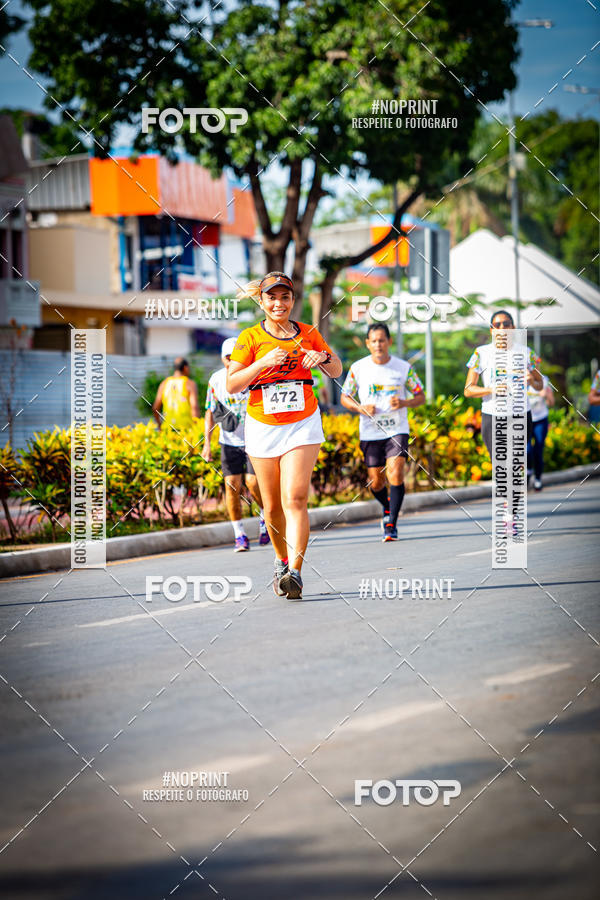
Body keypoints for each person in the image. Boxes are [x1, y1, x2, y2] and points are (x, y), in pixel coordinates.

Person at [226, 272, 342, 599]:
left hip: (302, 423)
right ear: (261, 301)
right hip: (262, 424)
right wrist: (262, 362)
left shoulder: (308, 333)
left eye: (285, 297)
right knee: (272, 504)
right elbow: (233, 383)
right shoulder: (249, 338)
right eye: (272, 297)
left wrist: (323, 358)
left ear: (293, 300)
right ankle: (280, 559)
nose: (279, 303)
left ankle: (296, 572)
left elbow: (336, 369)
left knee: (295, 498)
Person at [340, 323, 425, 542]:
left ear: (388, 341)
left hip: (396, 428)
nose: (378, 344)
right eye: (374, 340)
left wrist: (404, 401)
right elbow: (344, 397)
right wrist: (360, 408)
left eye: (382, 340)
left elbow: (420, 395)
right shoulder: (358, 368)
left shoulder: (403, 367)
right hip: (370, 431)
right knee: (375, 482)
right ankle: (387, 507)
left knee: (395, 473)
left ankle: (391, 524)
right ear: (368, 343)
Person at [203, 337, 270, 552]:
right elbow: (210, 412)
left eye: (236, 356)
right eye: (228, 357)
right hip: (228, 442)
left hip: (254, 440)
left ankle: (265, 517)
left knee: (252, 483)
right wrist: (207, 443)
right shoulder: (215, 380)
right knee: (232, 486)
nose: (232, 361)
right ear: (222, 358)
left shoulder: (254, 376)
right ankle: (239, 534)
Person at [464, 310, 543, 458]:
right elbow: (468, 390)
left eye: (506, 324)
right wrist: (491, 389)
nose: (502, 328)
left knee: (514, 462)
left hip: (520, 414)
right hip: (492, 414)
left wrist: (532, 380)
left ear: (513, 328)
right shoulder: (480, 353)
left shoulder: (527, 353)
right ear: (492, 330)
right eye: (497, 325)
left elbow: (540, 385)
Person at [152, 357, 199, 431]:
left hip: (168, 430)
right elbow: (194, 407)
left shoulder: (164, 384)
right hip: (186, 430)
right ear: (185, 368)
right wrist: (196, 428)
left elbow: (155, 408)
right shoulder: (190, 384)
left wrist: (159, 425)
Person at [527, 374, 554, 491]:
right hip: (524, 419)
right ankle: (528, 472)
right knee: (526, 450)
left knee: (538, 450)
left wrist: (547, 395)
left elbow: (551, 403)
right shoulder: (517, 377)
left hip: (540, 419)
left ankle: (537, 479)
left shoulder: (544, 380)